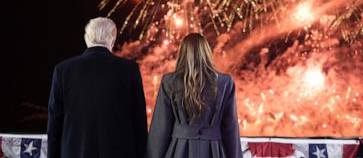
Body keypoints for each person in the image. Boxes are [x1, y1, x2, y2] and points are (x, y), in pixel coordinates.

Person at [47, 17, 147, 158]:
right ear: (112, 40)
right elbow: (139, 122)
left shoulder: (62, 70)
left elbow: (54, 124)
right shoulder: (129, 70)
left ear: (87, 38)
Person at [146, 33, 242, 158]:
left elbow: (161, 128)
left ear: (182, 53)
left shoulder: (169, 81)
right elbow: (230, 130)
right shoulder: (225, 82)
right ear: (207, 52)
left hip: (179, 150)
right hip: (214, 151)